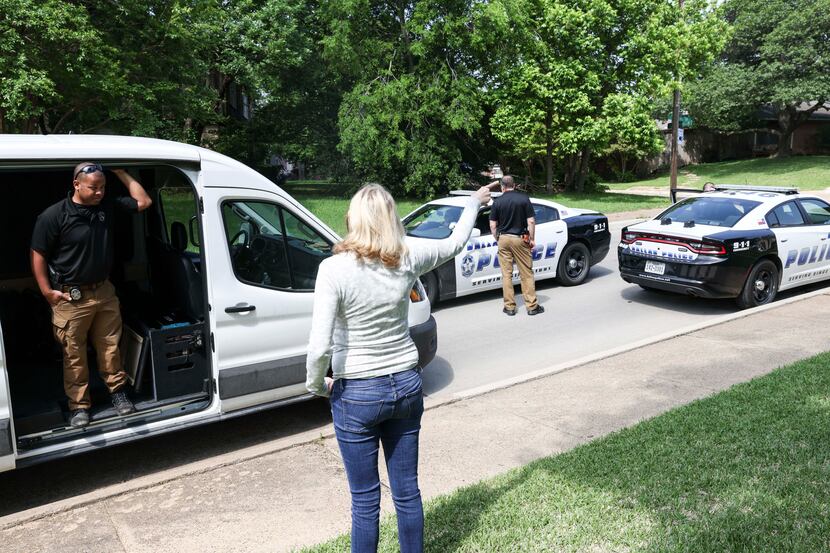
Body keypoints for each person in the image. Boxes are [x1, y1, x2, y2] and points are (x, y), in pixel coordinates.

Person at [306, 183, 490, 553]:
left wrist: (315, 384)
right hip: (406, 384)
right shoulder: (406, 256)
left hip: (355, 392)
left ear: (352, 218)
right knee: (406, 491)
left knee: (365, 500)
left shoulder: (332, 269)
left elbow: (319, 346)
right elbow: (454, 243)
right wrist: (473, 204)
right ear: (391, 218)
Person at [30, 163, 153, 428]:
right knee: (74, 353)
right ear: (76, 184)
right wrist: (46, 291)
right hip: (70, 296)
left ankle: (118, 394)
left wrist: (120, 172)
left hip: (104, 291)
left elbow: (143, 201)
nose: (99, 192)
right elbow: (37, 254)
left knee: (110, 347)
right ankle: (79, 406)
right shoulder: (54, 216)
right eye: (93, 187)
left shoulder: (106, 207)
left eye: (103, 187)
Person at [489, 175, 544, 316]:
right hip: (520, 239)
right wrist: (531, 239)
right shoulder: (523, 199)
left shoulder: (497, 201)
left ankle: (509, 307)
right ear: (514, 185)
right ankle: (532, 307)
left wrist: (498, 238)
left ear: (502, 186)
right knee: (526, 273)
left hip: (503, 239)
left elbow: (492, 225)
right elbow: (531, 221)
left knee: (506, 274)